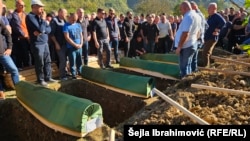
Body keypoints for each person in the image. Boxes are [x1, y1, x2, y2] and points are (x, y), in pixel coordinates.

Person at [25, 0, 57, 86]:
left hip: (45, 41)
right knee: (40, 62)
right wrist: (43, 22)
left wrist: (42, 30)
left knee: (47, 61)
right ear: (34, 7)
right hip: (37, 43)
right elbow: (40, 29)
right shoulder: (30, 17)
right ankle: (41, 79)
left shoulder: (40, 17)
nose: (42, 9)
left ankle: (48, 77)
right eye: (40, 7)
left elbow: (48, 29)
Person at [174, 1, 201, 78]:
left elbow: (185, 33)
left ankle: (184, 83)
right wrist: (195, 40)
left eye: (181, 9)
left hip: (186, 46)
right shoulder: (197, 16)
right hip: (191, 43)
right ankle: (188, 81)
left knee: (183, 67)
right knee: (188, 64)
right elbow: (198, 31)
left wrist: (179, 47)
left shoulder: (188, 17)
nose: (180, 11)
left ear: (185, 8)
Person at [0, 0, 19, 99]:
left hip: (3, 53)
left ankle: (19, 90)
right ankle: (1, 93)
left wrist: (9, 48)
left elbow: (7, 33)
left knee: (14, 70)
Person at [9, 0, 32, 70]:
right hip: (20, 39)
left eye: (24, 5)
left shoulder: (26, 14)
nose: (23, 7)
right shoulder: (14, 15)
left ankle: (29, 70)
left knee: (28, 55)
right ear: (16, 6)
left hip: (28, 38)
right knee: (21, 56)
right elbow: (17, 28)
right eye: (21, 5)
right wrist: (26, 36)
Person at [202, 2, 226, 68]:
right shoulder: (210, 17)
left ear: (214, 8)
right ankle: (210, 66)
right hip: (208, 37)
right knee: (208, 53)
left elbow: (223, 22)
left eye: (209, 8)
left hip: (212, 37)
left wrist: (218, 29)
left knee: (205, 53)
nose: (208, 9)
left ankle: (206, 68)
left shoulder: (216, 16)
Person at [50, 8, 68, 80]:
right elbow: (51, 34)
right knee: (62, 60)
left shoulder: (65, 20)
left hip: (65, 44)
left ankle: (65, 73)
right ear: (60, 13)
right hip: (59, 44)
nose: (66, 15)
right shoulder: (54, 21)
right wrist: (56, 43)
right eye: (64, 13)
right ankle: (62, 76)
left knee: (65, 60)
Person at [63, 12, 83, 79]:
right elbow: (67, 38)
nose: (74, 21)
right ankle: (73, 74)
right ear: (70, 18)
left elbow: (81, 35)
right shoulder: (66, 26)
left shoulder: (78, 25)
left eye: (75, 20)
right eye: (73, 19)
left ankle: (80, 72)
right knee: (72, 62)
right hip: (71, 47)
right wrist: (75, 45)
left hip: (79, 47)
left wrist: (81, 44)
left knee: (79, 61)